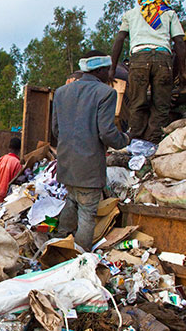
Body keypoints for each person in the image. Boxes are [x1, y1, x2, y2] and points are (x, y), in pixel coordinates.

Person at [53, 51, 130, 252]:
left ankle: (59, 239)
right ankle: (79, 255)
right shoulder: (105, 93)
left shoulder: (62, 92)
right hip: (88, 166)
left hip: (66, 163)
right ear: (102, 70)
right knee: (87, 211)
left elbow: (56, 130)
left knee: (72, 199)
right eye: (108, 70)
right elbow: (106, 132)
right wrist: (125, 139)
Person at [110, 0, 186, 142]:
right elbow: (179, 42)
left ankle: (135, 140)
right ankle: (153, 142)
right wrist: (182, 71)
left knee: (137, 103)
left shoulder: (131, 14)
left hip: (139, 59)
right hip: (163, 60)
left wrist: (112, 68)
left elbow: (119, 39)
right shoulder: (168, 13)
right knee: (161, 105)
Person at [0, 137, 23, 202]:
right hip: (7, 194)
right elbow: (16, 180)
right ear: (19, 149)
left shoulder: (2, 159)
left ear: (9, 147)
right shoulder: (17, 163)